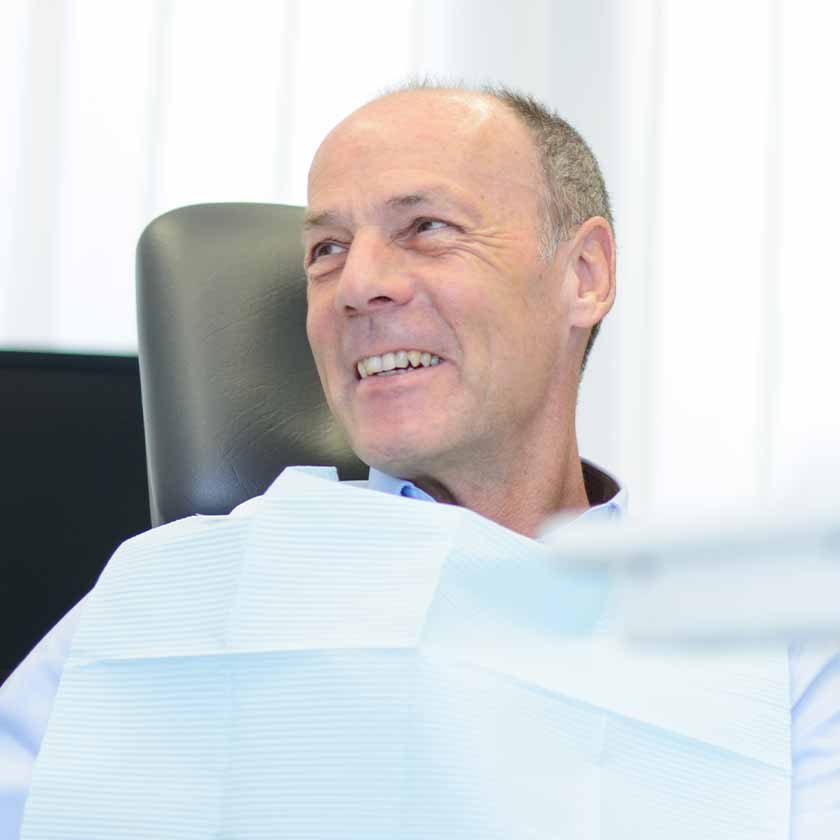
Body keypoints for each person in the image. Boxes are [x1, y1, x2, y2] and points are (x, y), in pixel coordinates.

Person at [1, 83, 838, 838]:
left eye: (428, 228)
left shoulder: (771, 646)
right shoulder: (170, 592)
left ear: (583, 275)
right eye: (325, 250)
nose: (356, 284)